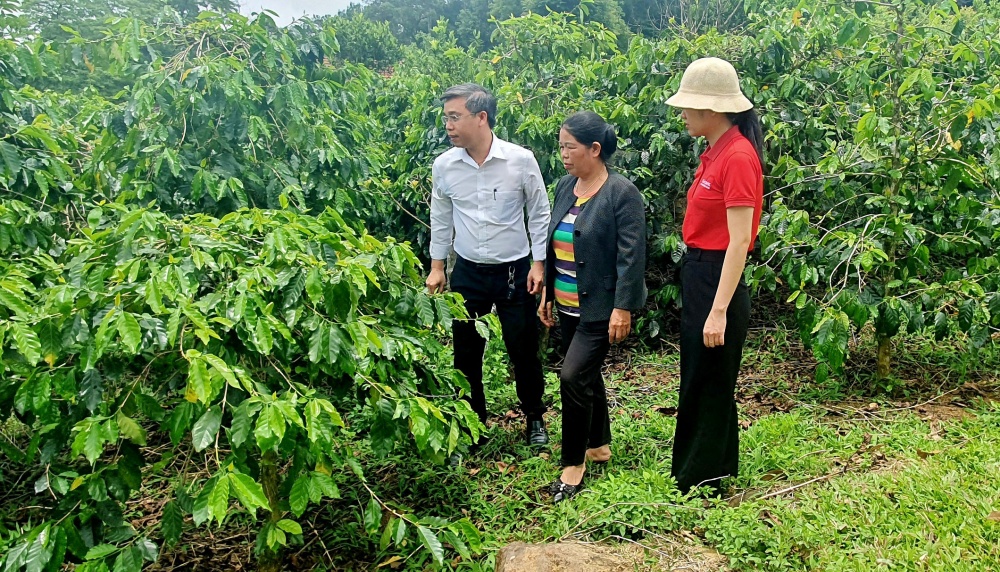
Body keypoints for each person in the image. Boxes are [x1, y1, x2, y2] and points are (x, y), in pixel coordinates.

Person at [426, 83, 552, 453]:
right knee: (466, 352)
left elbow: (539, 212)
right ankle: (473, 422)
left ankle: (534, 416)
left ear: (481, 117)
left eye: (455, 117)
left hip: (515, 272)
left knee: (523, 348)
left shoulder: (520, 160)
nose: (448, 125)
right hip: (468, 272)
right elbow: (441, 217)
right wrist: (437, 266)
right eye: (446, 117)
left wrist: (539, 263)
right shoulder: (445, 166)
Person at [664, 57, 765, 496]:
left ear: (711, 108)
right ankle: (713, 468)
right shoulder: (715, 152)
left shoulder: (737, 157)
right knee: (705, 375)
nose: (683, 114)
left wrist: (719, 309)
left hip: (718, 275)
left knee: (708, 379)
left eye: (688, 106)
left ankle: (698, 480)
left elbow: (739, 241)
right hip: (701, 271)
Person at [538, 111, 647, 502]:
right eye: (561, 146)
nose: (563, 154)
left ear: (595, 148)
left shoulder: (621, 193)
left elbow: (631, 256)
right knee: (585, 376)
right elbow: (555, 243)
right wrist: (548, 294)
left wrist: (624, 307)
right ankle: (599, 446)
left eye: (570, 147)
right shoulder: (566, 186)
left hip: (600, 309)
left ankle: (573, 465)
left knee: (571, 377)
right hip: (568, 304)